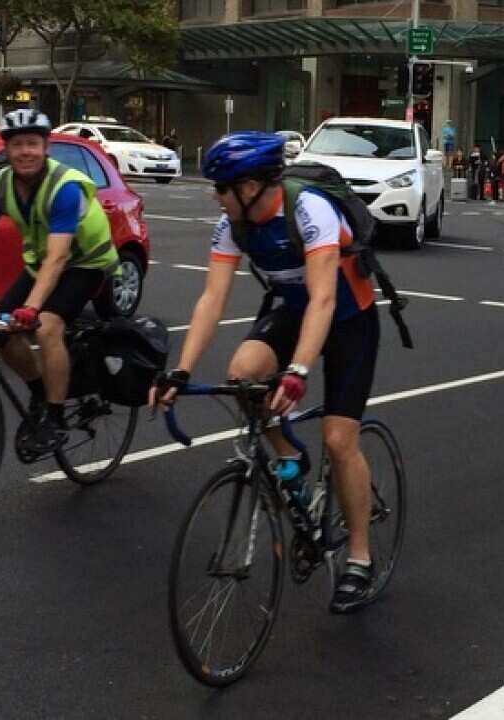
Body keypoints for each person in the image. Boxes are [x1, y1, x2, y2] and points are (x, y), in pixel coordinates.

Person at [150, 131, 382, 614]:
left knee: (340, 440)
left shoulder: (309, 211)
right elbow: (212, 299)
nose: (215, 196)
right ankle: (290, 463)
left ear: (252, 186)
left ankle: (359, 557)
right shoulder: (231, 224)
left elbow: (323, 297)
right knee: (243, 373)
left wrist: (298, 370)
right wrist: (181, 370)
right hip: (288, 307)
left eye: (221, 187)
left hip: (346, 316)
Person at [0, 109, 121, 453]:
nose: (25, 151)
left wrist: (31, 308)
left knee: (46, 327)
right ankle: (42, 393)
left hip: (86, 262)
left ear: (46, 148)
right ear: (7, 151)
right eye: (17, 145)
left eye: (32, 143)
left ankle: (56, 419)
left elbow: (59, 257)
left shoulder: (65, 188)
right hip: (41, 263)